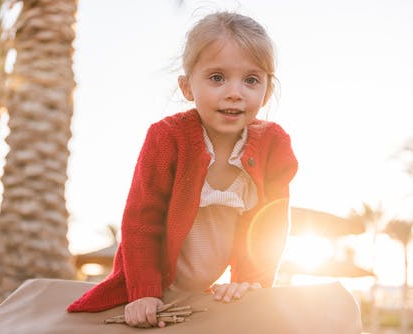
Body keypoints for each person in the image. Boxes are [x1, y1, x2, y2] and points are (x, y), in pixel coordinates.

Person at [67, 11, 298, 328]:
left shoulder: (274, 144)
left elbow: (268, 224)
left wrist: (249, 281)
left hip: (204, 294)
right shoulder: (167, 137)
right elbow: (141, 220)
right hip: (148, 283)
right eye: (217, 77)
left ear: (267, 91)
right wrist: (144, 292)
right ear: (187, 87)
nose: (235, 91)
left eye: (251, 79)